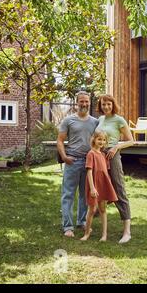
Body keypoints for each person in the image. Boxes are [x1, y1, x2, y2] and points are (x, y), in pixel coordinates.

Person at [57, 91, 99, 238]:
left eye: (87, 101)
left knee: (84, 195)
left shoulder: (95, 122)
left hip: (88, 163)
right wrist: (64, 157)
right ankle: (67, 226)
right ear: (76, 103)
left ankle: (81, 222)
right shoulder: (68, 120)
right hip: (72, 161)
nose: (84, 104)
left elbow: (100, 141)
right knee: (68, 194)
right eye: (81, 101)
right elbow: (60, 140)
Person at [96, 95, 134, 244]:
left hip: (113, 155)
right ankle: (98, 223)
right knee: (101, 187)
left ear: (113, 105)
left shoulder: (119, 120)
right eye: (103, 104)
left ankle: (127, 231)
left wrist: (117, 146)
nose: (106, 107)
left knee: (119, 189)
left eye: (108, 104)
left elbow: (131, 141)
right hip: (100, 155)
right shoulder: (100, 120)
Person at [81, 131, 118, 242]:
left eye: (103, 140)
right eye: (99, 139)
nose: (101, 142)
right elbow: (89, 171)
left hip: (103, 184)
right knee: (92, 210)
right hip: (94, 185)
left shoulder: (103, 155)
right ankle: (87, 233)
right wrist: (92, 188)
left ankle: (104, 235)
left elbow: (105, 171)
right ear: (94, 140)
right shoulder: (91, 154)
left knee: (103, 209)